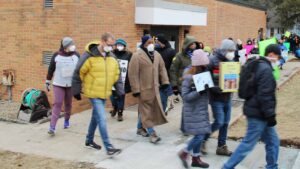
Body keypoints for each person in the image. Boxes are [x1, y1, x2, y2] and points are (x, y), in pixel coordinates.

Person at [222, 44, 280, 169]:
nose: (278, 59)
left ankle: (272, 167)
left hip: (258, 112)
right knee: (248, 144)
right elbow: (264, 95)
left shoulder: (259, 65)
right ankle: (227, 167)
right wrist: (270, 115)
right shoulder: (265, 69)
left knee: (273, 141)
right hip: (258, 114)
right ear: (271, 55)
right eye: (277, 56)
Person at [72, 32, 122, 156]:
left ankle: (89, 141)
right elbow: (78, 73)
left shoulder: (112, 57)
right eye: (109, 44)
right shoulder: (89, 56)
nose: (111, 47)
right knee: (102, 118)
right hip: (93, 93)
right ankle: (109, 147)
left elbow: (117, 74)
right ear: (102, 41)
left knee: (95, 117)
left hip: (104, 93)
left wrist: (120, 90)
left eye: (112, 45)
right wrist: (76, 90)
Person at [128, 35, 169, 144]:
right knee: (147, 112)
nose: (151, 44)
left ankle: (139, 128)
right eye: (149, 42)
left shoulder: (157, 55)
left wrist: (165, 82)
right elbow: (133, 74)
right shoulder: (137, 56)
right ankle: (152, 133)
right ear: (144, 43)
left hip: (155, 89)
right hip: (143, 89)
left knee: (145, 111)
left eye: (152, 42)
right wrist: (135, 89)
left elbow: (162, 69)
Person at [178, 49, 211, 169]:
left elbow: (206, 91)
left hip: (201, 109)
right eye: (204, 63)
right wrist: (199, 92)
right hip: (193, 111)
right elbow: (185, 96)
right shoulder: (188, 76)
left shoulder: (203, 73)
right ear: (198, 63)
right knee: (200, 135)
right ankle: (184, 153)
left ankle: (196, 158)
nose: (206, 64)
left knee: (200, 133)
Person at [203, 39, 236, 156]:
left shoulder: (231, 61)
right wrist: (215, 88)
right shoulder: (212, 60)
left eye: (233, 51)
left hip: (228, 97)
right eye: (230, 50)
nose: (232, 53)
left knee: (226, 123)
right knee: (219, 122)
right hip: (216, 98)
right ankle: (203, 138)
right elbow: (205, 79)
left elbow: (235, 76)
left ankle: (221, 147)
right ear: (224, 49)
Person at [46, 37, 79, 135]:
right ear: (65, 46)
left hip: (70, 84)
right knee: (58, 103)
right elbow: (51, 69)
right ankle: (52, 127)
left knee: (68, 104)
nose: (73, 46)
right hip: (58, 84)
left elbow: (81, 68)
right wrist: (47, 81)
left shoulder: (76, 55)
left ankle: (66, 121)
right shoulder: (57, 55)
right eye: (71, 45)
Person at [110, 38, 132, 121]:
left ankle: (120, 113)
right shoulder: (111, 54)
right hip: (112, 79)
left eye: (121, 45)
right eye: (118, 45)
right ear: (115, 46)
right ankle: (115, 107)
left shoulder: (129, 54)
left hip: (123, 80)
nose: (119, 46)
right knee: (112, 97)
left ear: (124, 46)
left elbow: (132, 64)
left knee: (121, 96)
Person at [155, 34, 176, 114]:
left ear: (162, 41)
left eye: (158, 42)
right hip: (156, 78)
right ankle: (163, 110)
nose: (156, 43)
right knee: (158, 97)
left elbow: (174, 66)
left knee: (163, 97)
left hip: (166, 78)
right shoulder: (155, 51)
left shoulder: (171, 51)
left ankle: (163, 111)